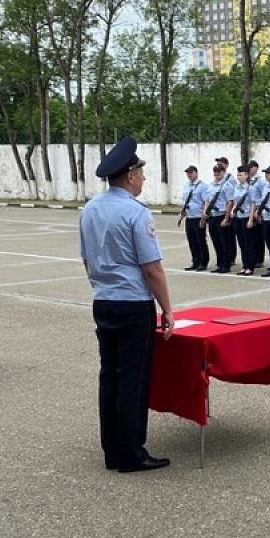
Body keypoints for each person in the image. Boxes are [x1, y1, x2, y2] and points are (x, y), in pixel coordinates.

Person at [78, 137, 173, 473]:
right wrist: (168, 309)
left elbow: (88, 261)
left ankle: (112, 451)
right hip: (133, 304)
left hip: (103, 302)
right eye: (142, 174)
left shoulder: (89, 209)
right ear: (131, 176)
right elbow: (152, 269)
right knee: (132, 378)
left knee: (110, 377)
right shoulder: (136, 213)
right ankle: (131, 453)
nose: (144, 180)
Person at [202, 164, 234, 274]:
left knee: (224, 241)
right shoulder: (211, 185)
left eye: (219, 172)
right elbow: (207, 200)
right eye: (215, 172)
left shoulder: (227, 186)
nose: (217, 174)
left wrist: (226, 218)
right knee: (216, 241)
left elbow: (230, 202)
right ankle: (220, 263)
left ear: (223, 172)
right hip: (212, 215)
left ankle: (226, 264)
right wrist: (205, 213)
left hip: (222, 214)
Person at [179, 165, 210, 271]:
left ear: (196, 173)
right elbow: (185, 200)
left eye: (191, 173)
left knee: (200, 240)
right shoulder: (186, 186)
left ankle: (203, 262)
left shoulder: (202, 186)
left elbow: (206, 201)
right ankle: (195, 261)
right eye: (188, 173)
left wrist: (204, 216)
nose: (189, 175)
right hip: (189, 216)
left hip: (198, 216)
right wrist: (182, 212)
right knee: (192, 241)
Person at [228, 166, 257, 276]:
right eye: (238, 175)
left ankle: (250, 266)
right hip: (238, 218)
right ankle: (244, 265)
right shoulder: (237, 187)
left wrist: (250, 220)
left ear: (246, 175)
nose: (239, 177)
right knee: (241, 243)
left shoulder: (250, 188)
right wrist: (232, 210)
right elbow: (235, 201)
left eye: (241, 175)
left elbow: (253, 204)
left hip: (246, 217)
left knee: (248, 243)